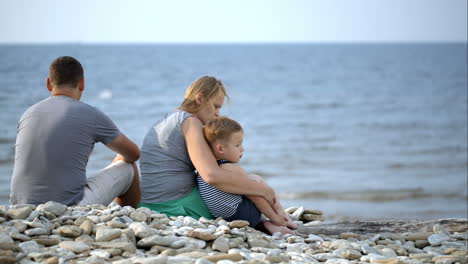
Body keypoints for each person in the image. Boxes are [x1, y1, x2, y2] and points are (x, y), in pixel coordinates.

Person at [139, 76, 276, 221]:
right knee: (243, 200)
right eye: (216, 106)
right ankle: (271, 222)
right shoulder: (190, 122)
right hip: (176, 205)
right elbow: (211, 175)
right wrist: (264, 190)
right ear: (200, 98)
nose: (217, 113)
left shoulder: (168, 118)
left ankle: (266, 223)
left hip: (150, 203)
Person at [10, 56, 141, 207]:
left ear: (48, 84)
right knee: (127, 168)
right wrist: (120, 157)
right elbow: (134, 154)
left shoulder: (28, 113)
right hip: (68, 207)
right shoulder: (90, 114)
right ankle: (125, 218)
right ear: (82, 84)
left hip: (19, 207)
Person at [197, 116, 296, 234]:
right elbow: (256, 196)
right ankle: (280, 215)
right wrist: (275, 219)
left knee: (251, 183)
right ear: (221, 149)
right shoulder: (231, 169)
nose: (242, 149)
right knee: (255, 179)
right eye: (237, 145)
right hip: (245, 216)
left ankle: (267, 224)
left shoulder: (203, 168)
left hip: (225, 218)